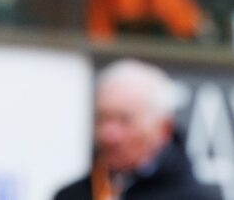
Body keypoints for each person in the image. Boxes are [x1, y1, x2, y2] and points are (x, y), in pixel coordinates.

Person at [54, 59, 221, 200]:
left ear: (164, 129)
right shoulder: (70, 196)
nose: (109, 134)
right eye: (102, 119)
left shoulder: (196, 197)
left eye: (125, 120)